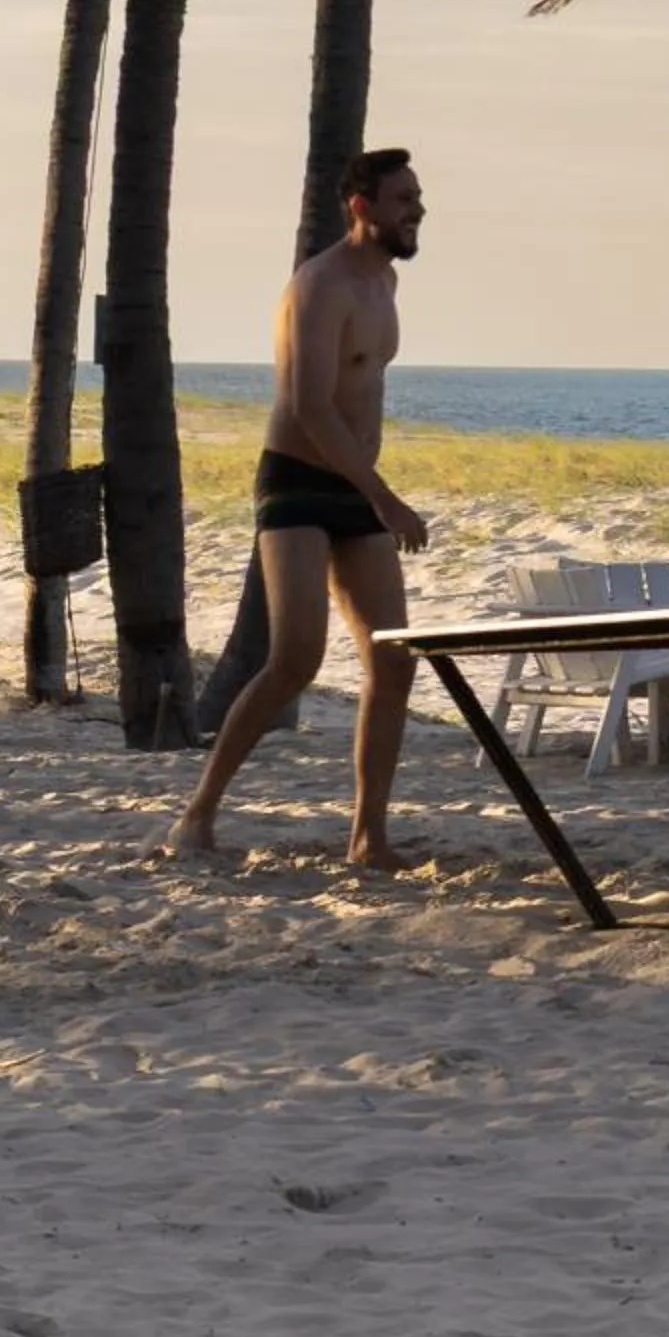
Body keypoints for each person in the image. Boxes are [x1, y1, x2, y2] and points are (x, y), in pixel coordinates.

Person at [159, 149, 431, 869]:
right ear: (361, 205)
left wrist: (371, 489)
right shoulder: (320, 286)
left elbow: (360, 394)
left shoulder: (387, 284)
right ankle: (198, 814)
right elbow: (311, 406)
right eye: (403, 198)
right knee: (295, 657)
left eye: (419, 197)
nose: (417, 210)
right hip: (296, 485)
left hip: (354, 483)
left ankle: (369, 838)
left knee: (393, 660)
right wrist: (386, 498)